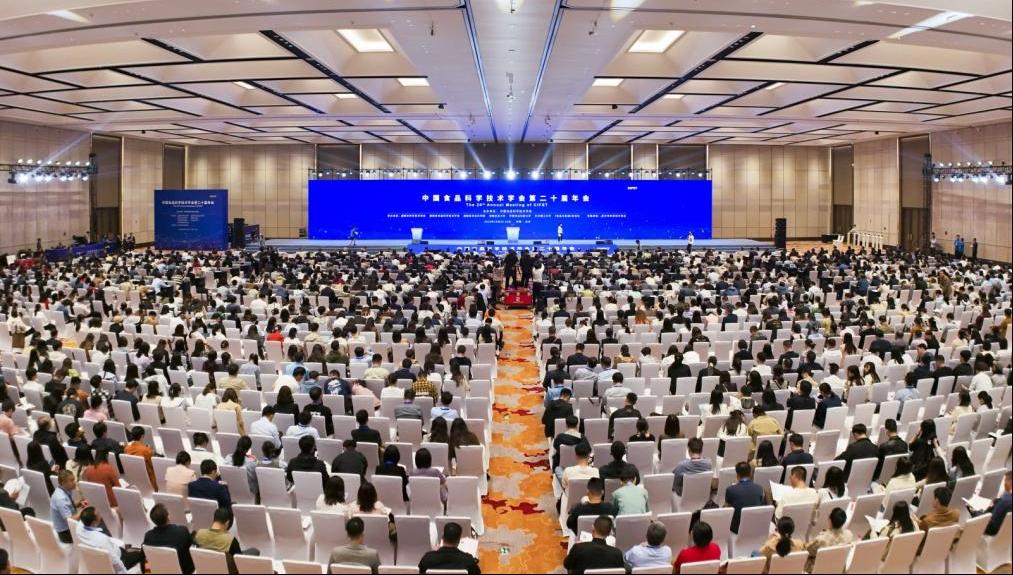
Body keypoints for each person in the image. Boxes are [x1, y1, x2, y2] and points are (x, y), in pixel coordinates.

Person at [76, 506, 145, 574]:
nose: (100, 513)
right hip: (121, 559)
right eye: (98, 514)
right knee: (141, 554)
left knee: (121, 548)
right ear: (94, 522)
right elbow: (115, 561)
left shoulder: (78, 529)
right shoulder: (102, 539)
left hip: (100, 559)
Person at [193, 507, 260, 574]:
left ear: (214, 519)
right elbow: (239, 561)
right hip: (228, 570)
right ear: (227, 523)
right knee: (254, 551)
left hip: (207, 568)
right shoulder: (230, 540)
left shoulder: (199, 534)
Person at [143, 503, 195, 574]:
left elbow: (144, 557)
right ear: (168, 516)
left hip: (160, 570)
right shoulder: (182, 531)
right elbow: (191, 550)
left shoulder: (148, 536)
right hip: (184, 570)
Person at [725, 461, 766, 533]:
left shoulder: (731, 489)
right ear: (750, 474)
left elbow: (728, 508)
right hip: (755, 526)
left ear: (737, 475)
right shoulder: (760, 488)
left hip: (736, 528)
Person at [50, 469, 86, 543]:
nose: (74, 482)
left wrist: (79, 503)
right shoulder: (60, 499)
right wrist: (83, 511)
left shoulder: (64, 490)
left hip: (69, 528)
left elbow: (69, 505)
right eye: (72, 480)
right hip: (66, 533)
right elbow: (70, 520)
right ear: (64, 483)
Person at [984, 471, 1012, 536]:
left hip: (993, 532)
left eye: (1005, 481)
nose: (1004, 484)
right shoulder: (1005, 499)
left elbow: (991, 524)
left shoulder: (1004, 501)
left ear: (1010, 482)